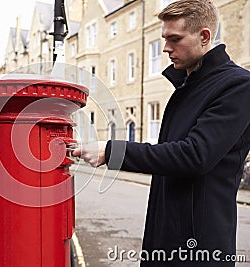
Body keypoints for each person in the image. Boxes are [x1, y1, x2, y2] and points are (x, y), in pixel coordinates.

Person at [72, 0, 250, 266]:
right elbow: (167, 153)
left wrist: (112, 151)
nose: (166, 48)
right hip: (164, 236)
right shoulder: (186, 87)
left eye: (175, 39)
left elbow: (194, 155)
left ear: (204, 36)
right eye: (165, 38)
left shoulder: (238, 86)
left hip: (199, 246)